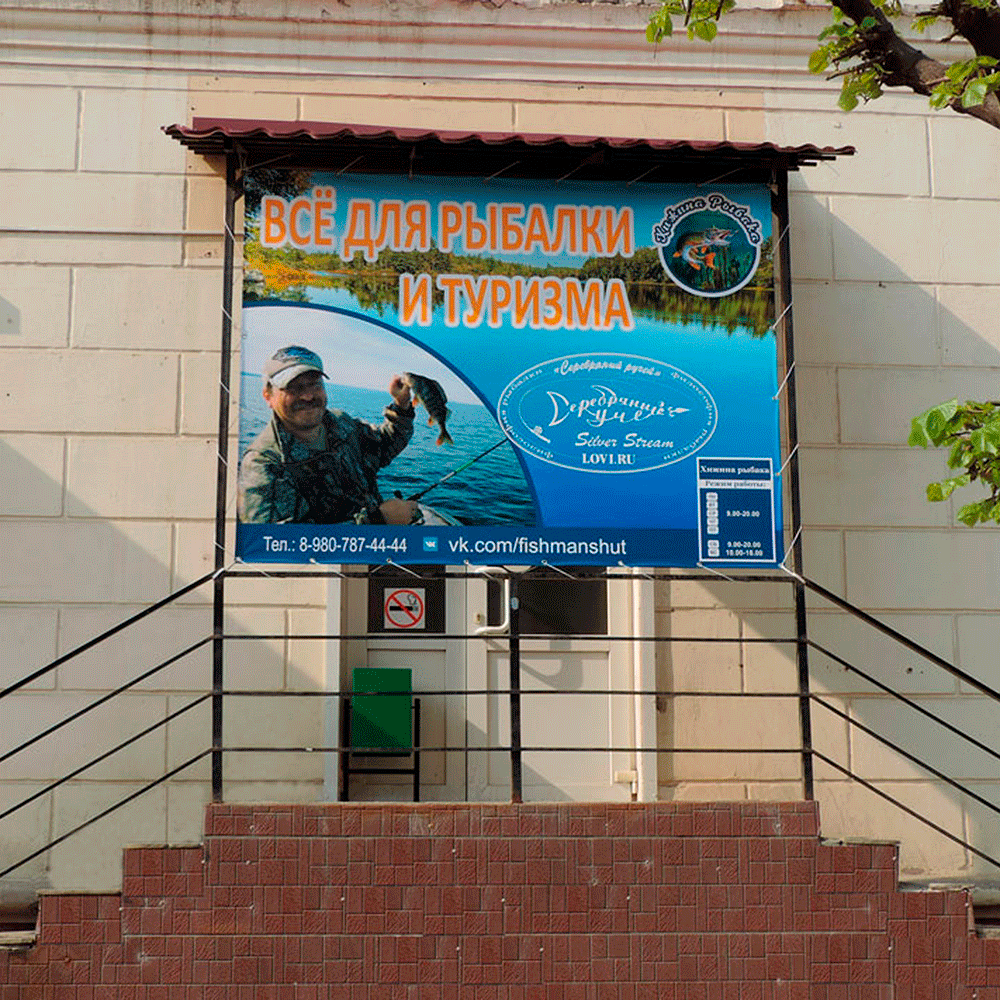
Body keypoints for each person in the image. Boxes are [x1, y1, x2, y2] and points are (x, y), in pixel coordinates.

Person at [237, 345, 421, 525]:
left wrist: (401, 405)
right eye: (293, 388)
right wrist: (379, 520)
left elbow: (385, 445)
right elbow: (278, 542)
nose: (308, 396)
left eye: (315, 384)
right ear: (268, 396)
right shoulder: (263, 464)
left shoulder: (340, 423)